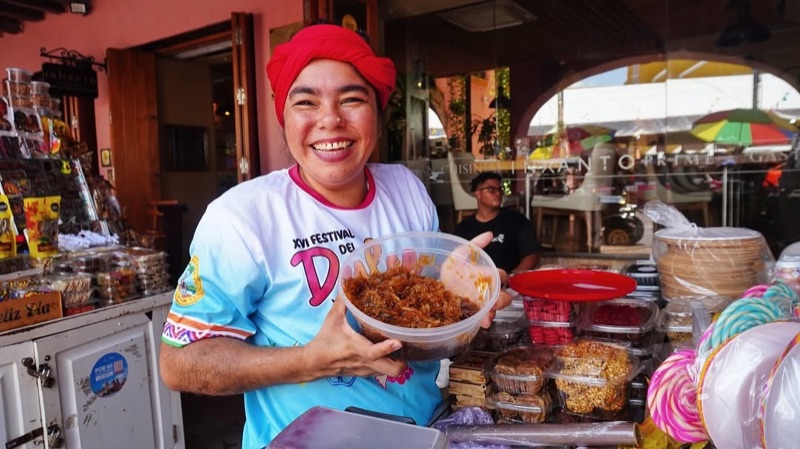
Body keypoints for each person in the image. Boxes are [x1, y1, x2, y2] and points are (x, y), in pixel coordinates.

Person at [158, 24, 511, 447]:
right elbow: (179, 365)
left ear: (378, 115)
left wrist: (460, 310)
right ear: (283, 119)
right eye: (306, 101)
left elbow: (418, 335)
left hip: (423, 435)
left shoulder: (406, 189)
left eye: (351, 99)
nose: (330, 120)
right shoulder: (242, 217)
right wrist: (312, 361)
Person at [452, 172, 540, 274]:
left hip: (509, 284)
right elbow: (454, 262)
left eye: (499, 189)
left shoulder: (516, 220)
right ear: (478, 194)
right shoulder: (463, 228)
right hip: (475, 285)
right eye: (491, 190)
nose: (498, 193)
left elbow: (532, 255)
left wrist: (512, 276)